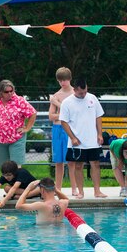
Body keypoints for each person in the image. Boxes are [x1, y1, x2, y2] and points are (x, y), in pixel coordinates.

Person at [59, 78, 107, 199]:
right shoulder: (67, 102)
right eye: (81, 93)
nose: (84, 94)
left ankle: (97, 191)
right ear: (74, 90)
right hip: (77, 141)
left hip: (93, 140)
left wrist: (100, 134)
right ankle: (80, 191)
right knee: (78, 165)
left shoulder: (92, 98)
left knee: (95, 164)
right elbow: (63, 122)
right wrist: (72, 137)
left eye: (85, 91)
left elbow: (98, 117)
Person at [0, 79, 36, 166]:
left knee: (16, 165)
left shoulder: (19, 101)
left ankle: (17, 180)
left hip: (16, 137)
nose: (10, 93)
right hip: (0, 139)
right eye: (6, 92)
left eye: (11, 91)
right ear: (0, 92)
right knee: (4, 166)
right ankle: (6, 180)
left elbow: (32, 113)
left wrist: (27, 128)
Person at [48, 67, 78, 195]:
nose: (62, 83)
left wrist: (60, 106)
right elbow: (51, 116)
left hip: (70, 129)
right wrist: (62, 112)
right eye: (60, 80)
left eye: (65, 80)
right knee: (58, 161)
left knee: (71, 161)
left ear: (70, 79)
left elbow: (74, 115)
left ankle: (74, 188)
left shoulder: (75, 94)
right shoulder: (56, 96)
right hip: (58, 129)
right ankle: (58, 189)